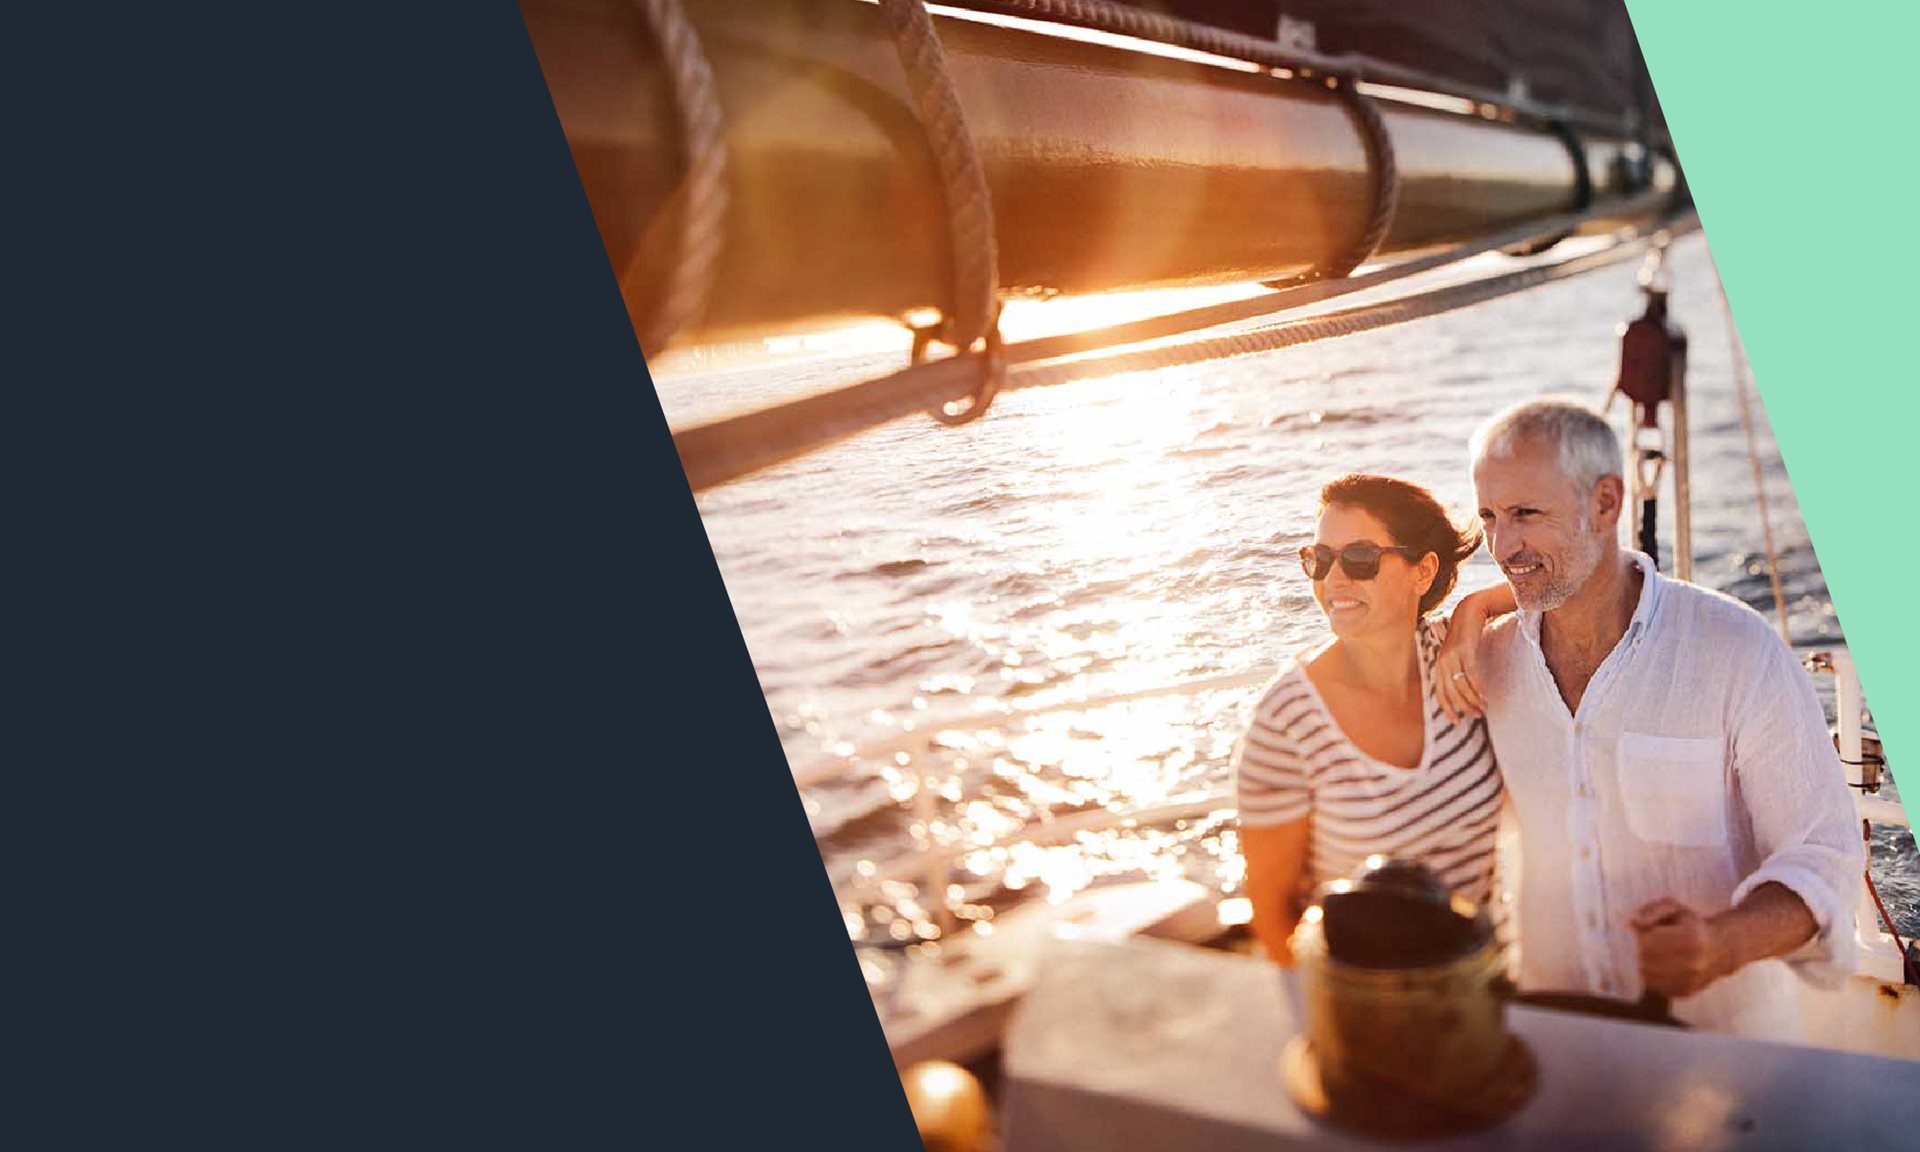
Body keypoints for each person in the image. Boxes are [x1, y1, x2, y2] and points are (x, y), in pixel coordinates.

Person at [1434, 397, 1863, 1041]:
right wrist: (1469, 610)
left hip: (1728, 1048)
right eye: (1489, 516)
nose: (1502, 545)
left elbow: (1824, 853)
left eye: (1526, 514)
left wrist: (1722, 943)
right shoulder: (1485, 661)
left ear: (1606, 503)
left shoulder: (1737, 648)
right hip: (1558, 1036)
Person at [1233, 474, 1499, 964]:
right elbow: (1272, 916)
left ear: (1423, 572)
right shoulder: (1287, 720)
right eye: (1319, 559)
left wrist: (1474, 609)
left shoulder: (1459, 657)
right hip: (1367, 992)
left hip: (1482, 979)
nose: (1333, 580)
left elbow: (1566, 589)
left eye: (1359, 558)